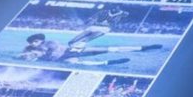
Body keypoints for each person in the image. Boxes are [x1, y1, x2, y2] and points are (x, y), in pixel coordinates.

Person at [19, 31, 161, 67]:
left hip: (70, 52)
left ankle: (142, 48)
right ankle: (108, 63)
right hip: (64, 59)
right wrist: (27, 56)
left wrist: (39, 55)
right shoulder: (28, 48)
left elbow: (54, 52)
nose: (33, 44)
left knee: (108, 49)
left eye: (35, 41)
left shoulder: (51, 42)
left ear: (41, 40)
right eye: (32, 42)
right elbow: (23, 56)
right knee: (77, 64)